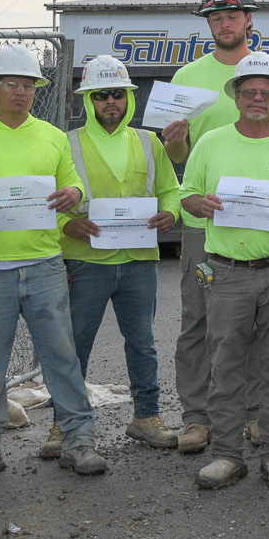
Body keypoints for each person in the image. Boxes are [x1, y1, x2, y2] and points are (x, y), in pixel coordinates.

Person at [159, 0, 269, 453]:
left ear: (248, 19)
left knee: (263, 324)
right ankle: (198, 417)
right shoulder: (185, 79)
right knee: (199, 319)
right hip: (206, 225)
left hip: (266, 226)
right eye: (215, 16)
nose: (224, 23)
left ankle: (258, 414)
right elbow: (174, 157)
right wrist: (174, 140)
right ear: (209, 23)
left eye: (232, 15)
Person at [178, 52, 269, 489]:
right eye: (249, 92)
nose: (258, 98)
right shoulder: (211, 143)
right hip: (226, 273)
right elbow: (187, 194)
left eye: (267, 92)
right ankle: (227, 455)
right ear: (237, 97)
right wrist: (199, 204)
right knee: (224, 364)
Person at [0, 45, 108, 482]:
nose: (21, 92)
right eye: (12, 84)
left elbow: (73, 185)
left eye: (28, 85)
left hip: (44, 265)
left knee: (61, 357)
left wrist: (74, 196)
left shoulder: (52, 136)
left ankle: (78, 443)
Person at [51, 54, 183, 457]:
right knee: (75, 345)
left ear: (129, 98)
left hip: (139, 261)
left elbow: (170, 189)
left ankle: (146, 416)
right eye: (102, 95)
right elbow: (48, 201)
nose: (111, 102)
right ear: (87, 101)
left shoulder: (148, 141)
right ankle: (65, 425)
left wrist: (172, 212)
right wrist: (64, 227)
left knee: (142, 342)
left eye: (118, 95)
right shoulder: (66, 144)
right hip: (86, 261)